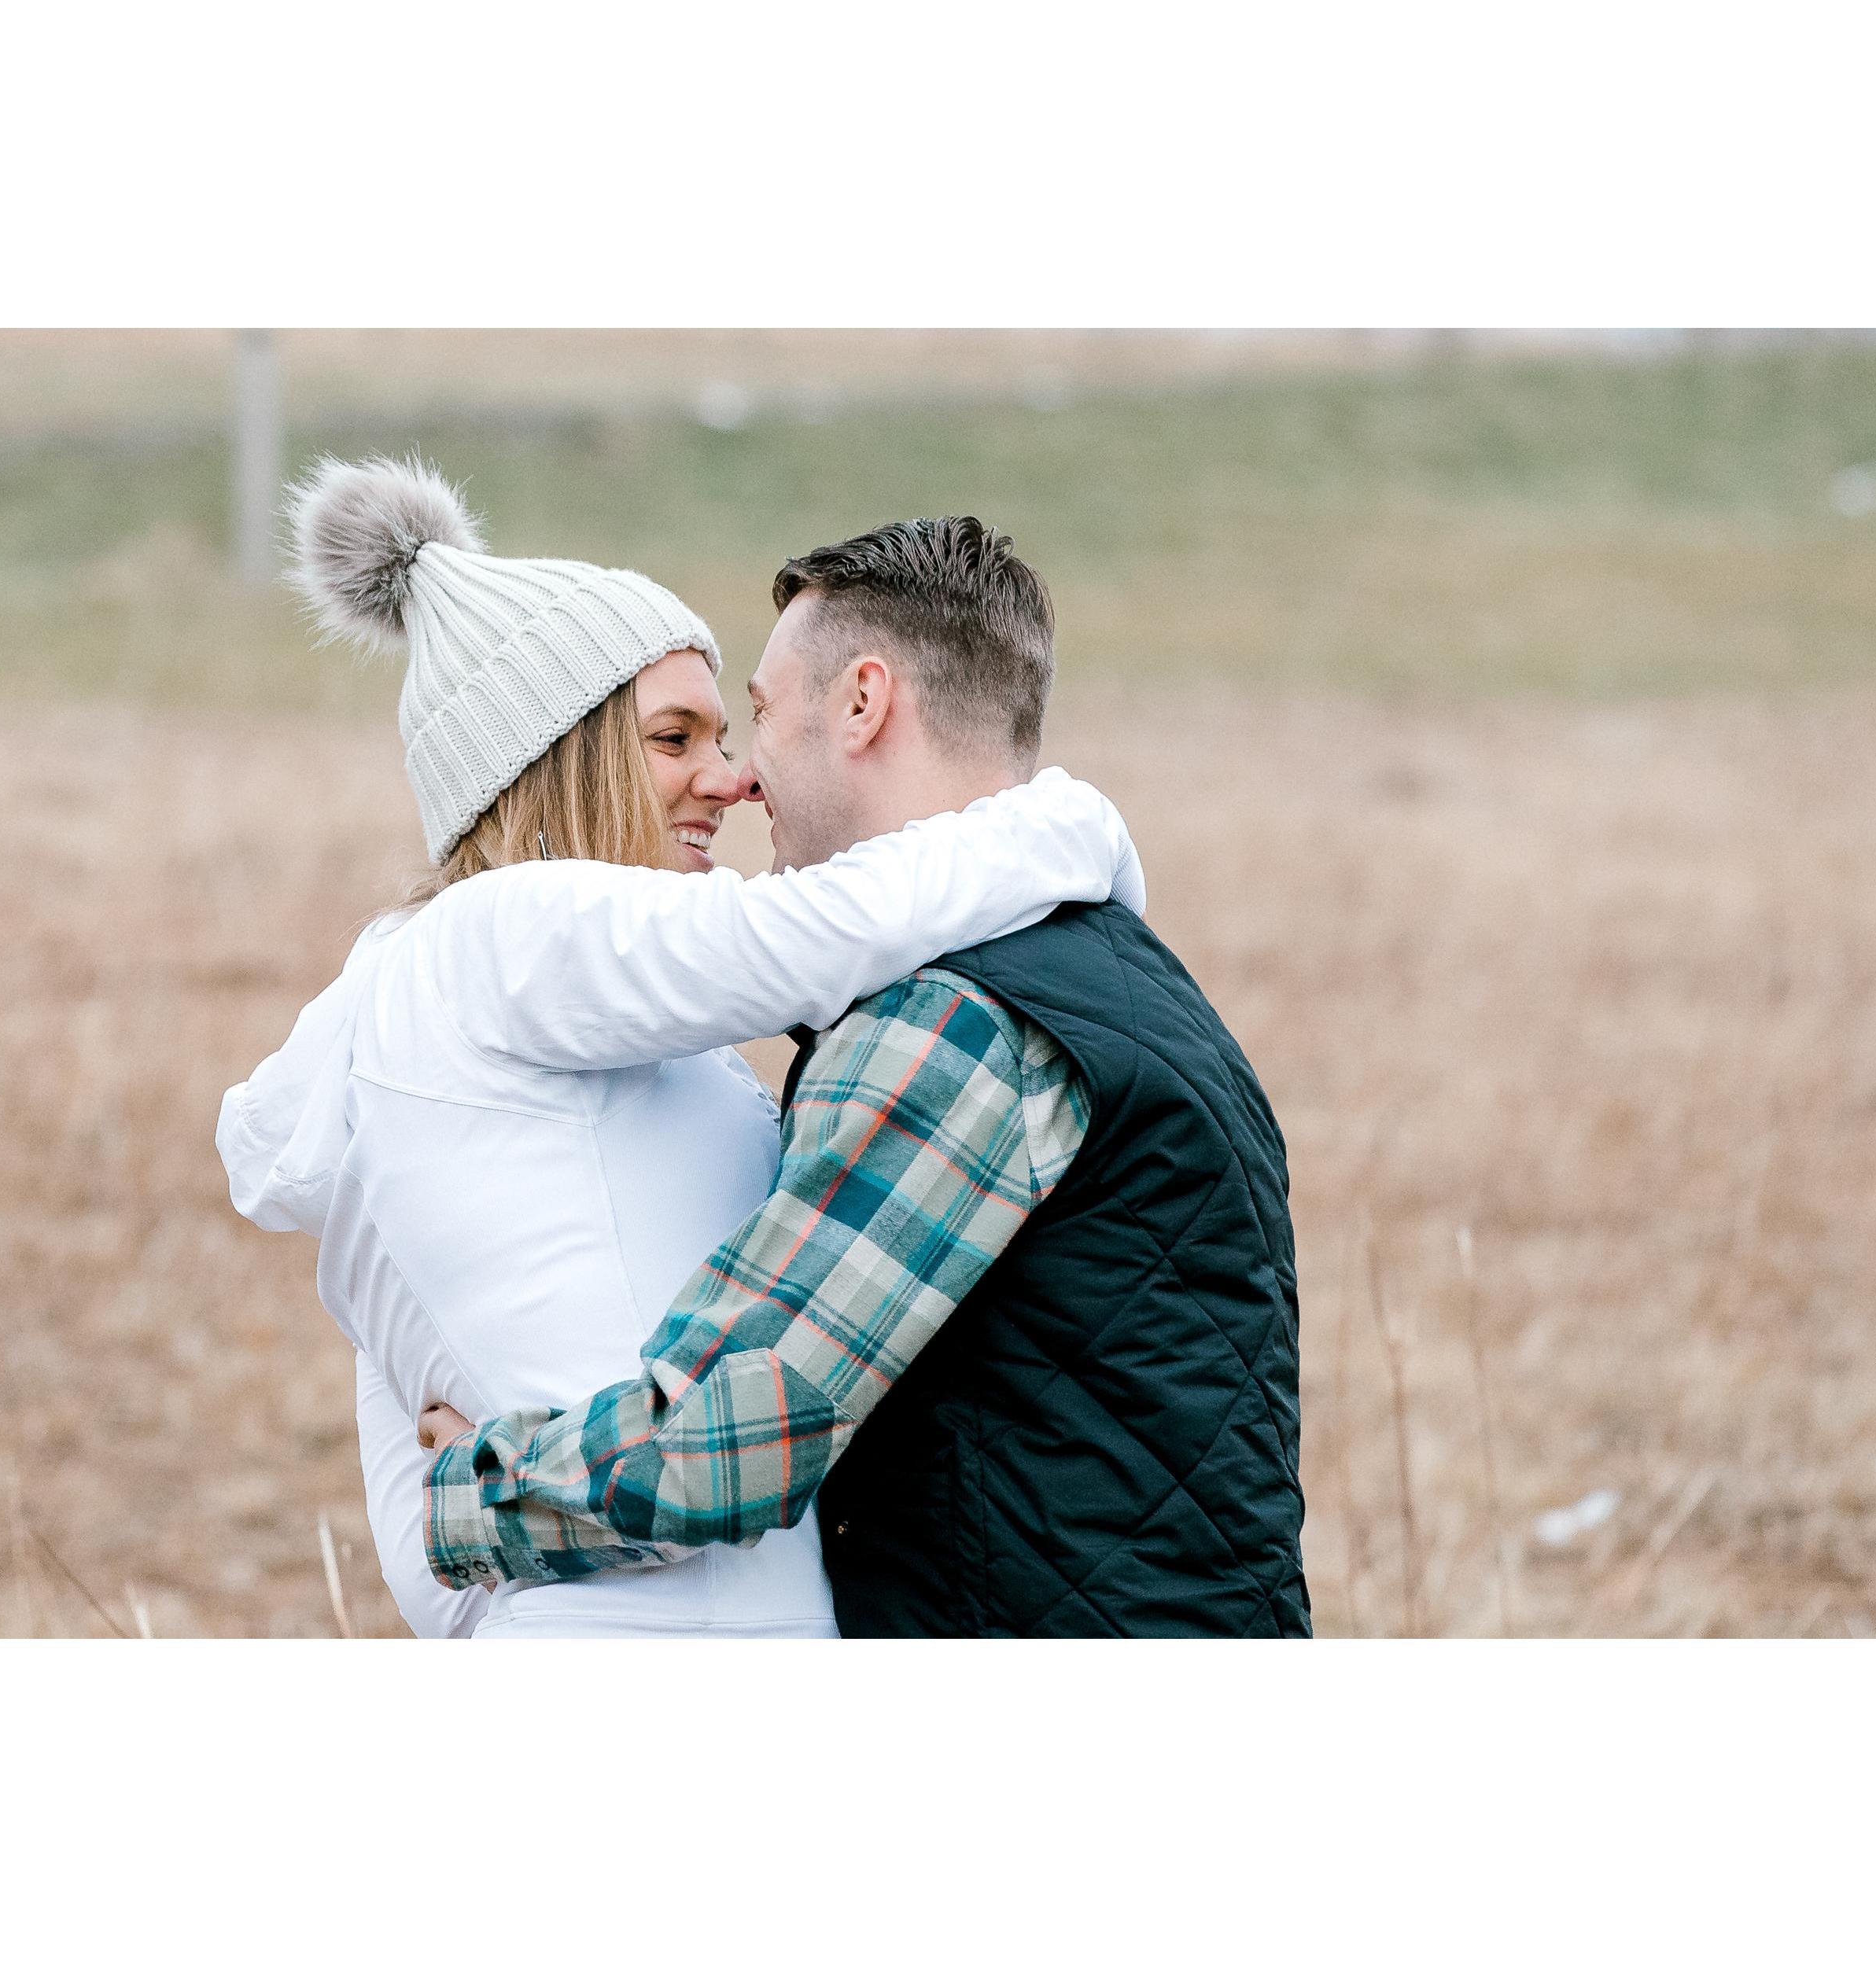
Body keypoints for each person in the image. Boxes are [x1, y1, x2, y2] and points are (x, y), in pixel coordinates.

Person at [217, 456, 1144, 1639]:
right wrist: (1066, 825)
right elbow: (812, 937)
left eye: (725, 731)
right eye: (673, 738)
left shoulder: (567, 1027)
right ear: (551, 761)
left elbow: (420, 1504)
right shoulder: (499, 935)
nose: (734, 776)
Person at [419, 517, 1310, 1637]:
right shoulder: (1123, 975)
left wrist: (465, 1495)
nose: (744, 778)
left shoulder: (957, 1019)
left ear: (862, 703)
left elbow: (728, 1448)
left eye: (759, 713)